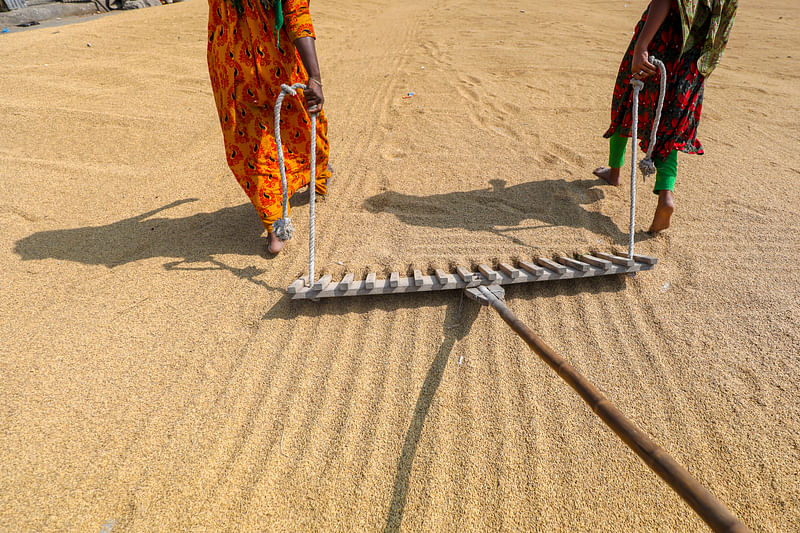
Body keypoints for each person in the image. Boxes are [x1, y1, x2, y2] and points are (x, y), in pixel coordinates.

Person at [593, 0, 737, 233]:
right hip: (693, 59)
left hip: (660, 45)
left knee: (628, 102)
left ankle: (615, 171)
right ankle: (665, 194)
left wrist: (641, 47)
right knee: (668, 126)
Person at [207, 0, 331, 254]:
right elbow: (296, 14)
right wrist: (314, 78)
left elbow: (295, 15)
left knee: (269, 139)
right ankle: (279, 216)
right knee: (264, 140)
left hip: (245, 63)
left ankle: (310, 179)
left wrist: (313, 78)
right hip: (255, 65)